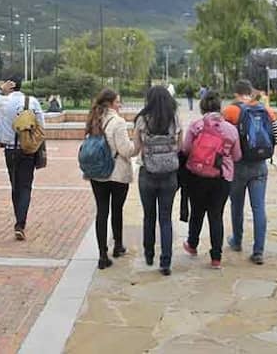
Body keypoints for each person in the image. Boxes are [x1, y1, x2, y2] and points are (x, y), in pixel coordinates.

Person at [182, 90, 242, 269]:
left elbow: (185, 149)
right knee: (216, 215)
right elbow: (237, 156)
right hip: (222, 178)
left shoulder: (196, 125)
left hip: (197, 176)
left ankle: (192, 245)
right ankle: (216, 257)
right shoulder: (231, 129)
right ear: (219, 106)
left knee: (197, 212)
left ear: (202, 106)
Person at [0, 75, 46, 240]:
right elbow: (41, 126)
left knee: (15, 185)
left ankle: (19, 218)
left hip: (9, 150)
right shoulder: (32, 101)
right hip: (28, 150)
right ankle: (20, 223)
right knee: (26, 186)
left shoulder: (2, 101)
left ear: (9, 85)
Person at [222, 80, 277, 265]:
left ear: (236, 93)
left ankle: (237, 241)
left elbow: (224, 137)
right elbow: (276, 137)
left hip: (238, 166)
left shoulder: (230, 111)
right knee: (259, 207)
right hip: (260, 166)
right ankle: (258, 250)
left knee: (236, 205)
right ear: (250, 92)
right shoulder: (266, 111)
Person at [84, 88, 138, 269]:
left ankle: (102, 255)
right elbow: (126, 151)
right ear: (110, 104)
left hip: (96, 173)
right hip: (117, 173)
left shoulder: (93, 119)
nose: (120, 104)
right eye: (118, 102)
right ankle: (118, 246)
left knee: (102, 211)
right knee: (117, 210)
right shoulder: (118, 122)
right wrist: (137, 145)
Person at [134, 85, 180, 275]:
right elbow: (181, 146)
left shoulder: (142, 120)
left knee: (149, 216)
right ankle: (166, 262)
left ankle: (149, 253)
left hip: (147, 173)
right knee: (166, 218)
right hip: (169, 174)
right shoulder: (174, 118)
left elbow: (136, 148)